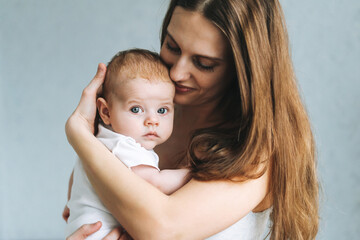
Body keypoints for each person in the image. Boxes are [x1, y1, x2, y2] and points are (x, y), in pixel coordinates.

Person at [65, 0, 319, 239]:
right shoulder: (138, 118)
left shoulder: (253, 151)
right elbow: (78, 208)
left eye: (204, 63)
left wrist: (78, 132)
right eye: (172, 47)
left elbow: (163, 229)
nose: (176, 73)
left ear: (244, 69)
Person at [64, 49, 190, 239]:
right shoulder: (123, 146)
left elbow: (73, 182)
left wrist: (75, 204)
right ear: (106, 112)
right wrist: (193, 172)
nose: (152, 120)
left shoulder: (97, 142)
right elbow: (155, 184)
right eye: (136, 109)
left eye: (162, 110)